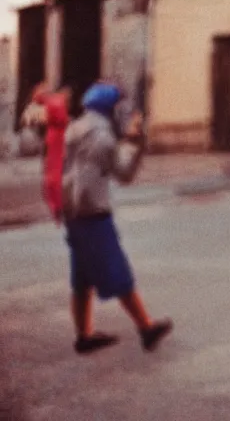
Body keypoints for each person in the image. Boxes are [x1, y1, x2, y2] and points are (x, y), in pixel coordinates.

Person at [62, 82, 173, 354]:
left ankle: (84, 335)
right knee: (119, 274)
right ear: (109, 109)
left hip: (73, 214)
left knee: (82, 278)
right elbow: (123, 176)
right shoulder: (103, 138)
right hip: (93, 214)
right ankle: (146, 328)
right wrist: (137, 146)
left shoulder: (74, 130)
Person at [22, 83, 71, 224]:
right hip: (57, 140)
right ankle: (58, 205)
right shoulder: (56, 102)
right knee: (56, 174)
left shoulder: (52, 103)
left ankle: (57, 206)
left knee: (53, 174)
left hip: (54, 140)